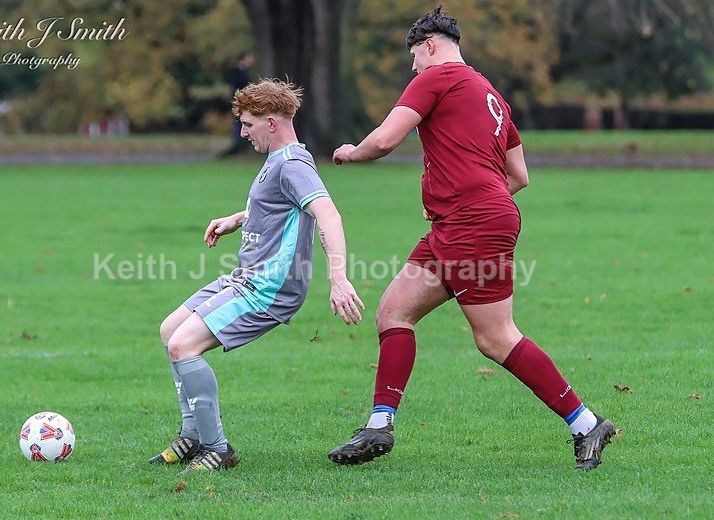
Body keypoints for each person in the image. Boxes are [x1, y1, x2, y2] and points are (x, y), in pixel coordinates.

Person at [327, 6, 616, 471]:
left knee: (496, 338)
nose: (413, 68)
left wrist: (349, 153)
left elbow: (384, 140)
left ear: (430, 46)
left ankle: (586, 424)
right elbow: (519, 175)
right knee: (394, 311)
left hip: (471, 224)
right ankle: (379, 426)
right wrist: (465, 196)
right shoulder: (491, 95)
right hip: (460, 222)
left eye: (414, 57)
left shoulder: (436, 77)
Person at [150, 79, 365, 474]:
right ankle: (193, 435)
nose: (243, 133)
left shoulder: (293, 165)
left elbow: (328, 215)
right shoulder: (280, 159)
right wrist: (239, 219)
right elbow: (280, 208)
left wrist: (339, 279)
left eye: (248, 125)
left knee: (183, 345)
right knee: (170, 331)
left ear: (271, 123)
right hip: (245, 277)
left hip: (266, 288)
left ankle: (217, 449)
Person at [221, 53, 255, 156]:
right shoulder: (238, 74)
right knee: (239, 123)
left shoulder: (241, 73)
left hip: (243, 103)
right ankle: (238, 144)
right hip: (241, 103)